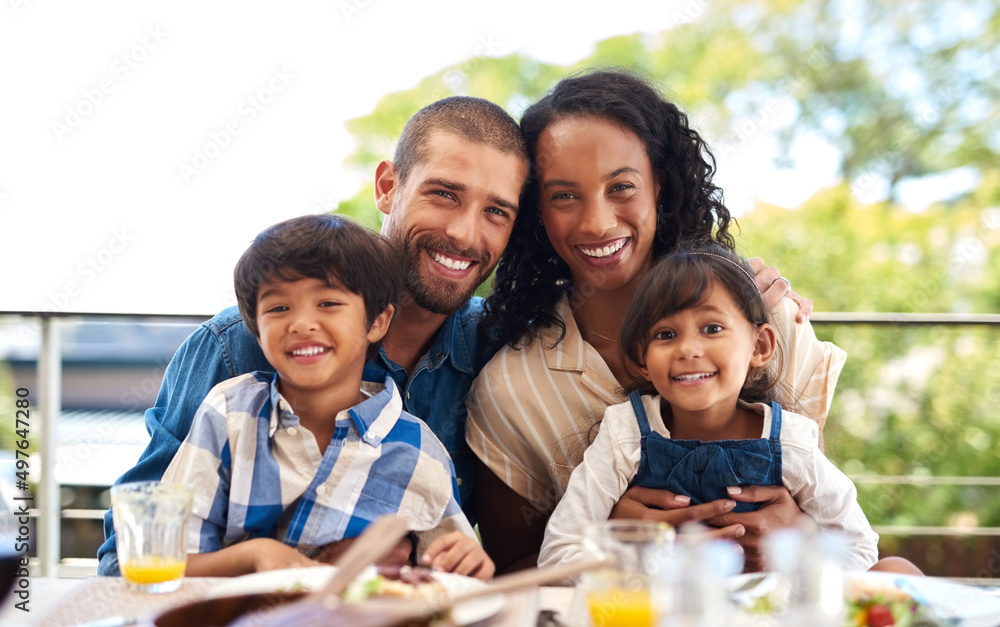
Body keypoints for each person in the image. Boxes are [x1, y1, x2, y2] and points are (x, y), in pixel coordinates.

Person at [98, 96, 528, 575]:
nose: (466, 234)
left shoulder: (501, 353)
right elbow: (127, 564)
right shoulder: (234, 349)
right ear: (388, 187)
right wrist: (297, 566)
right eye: (444, 194)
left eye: (496, 212)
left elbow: (464, 569)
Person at [466, 70, 846, 573]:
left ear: (660, 186)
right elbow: (506, 575)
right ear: (537, 211)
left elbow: (842, 527)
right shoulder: (511, 391)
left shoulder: (770, 321)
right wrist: (609, 544)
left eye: (621, 186)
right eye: (564, 196)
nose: (597, 222)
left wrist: (801, 536)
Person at [163, 214, 492, 578]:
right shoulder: (228, 415)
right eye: (278, 308)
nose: (302, 323)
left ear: (377, 322)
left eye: (328, 304)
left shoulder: (421, 455)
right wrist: (255, 555)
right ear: (256, 332)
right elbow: (166, 562)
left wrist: (467, 564)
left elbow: (450, 584)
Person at [539, 244, 887, 572]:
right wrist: (649, 562)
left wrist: (791, 560)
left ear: (760, 346)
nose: (688, 349)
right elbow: (559, 554)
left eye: (712, 328)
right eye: (665, 335)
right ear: (642, 358)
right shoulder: (625, 433)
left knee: (897, 569)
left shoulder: (792, 441)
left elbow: (860, 551)